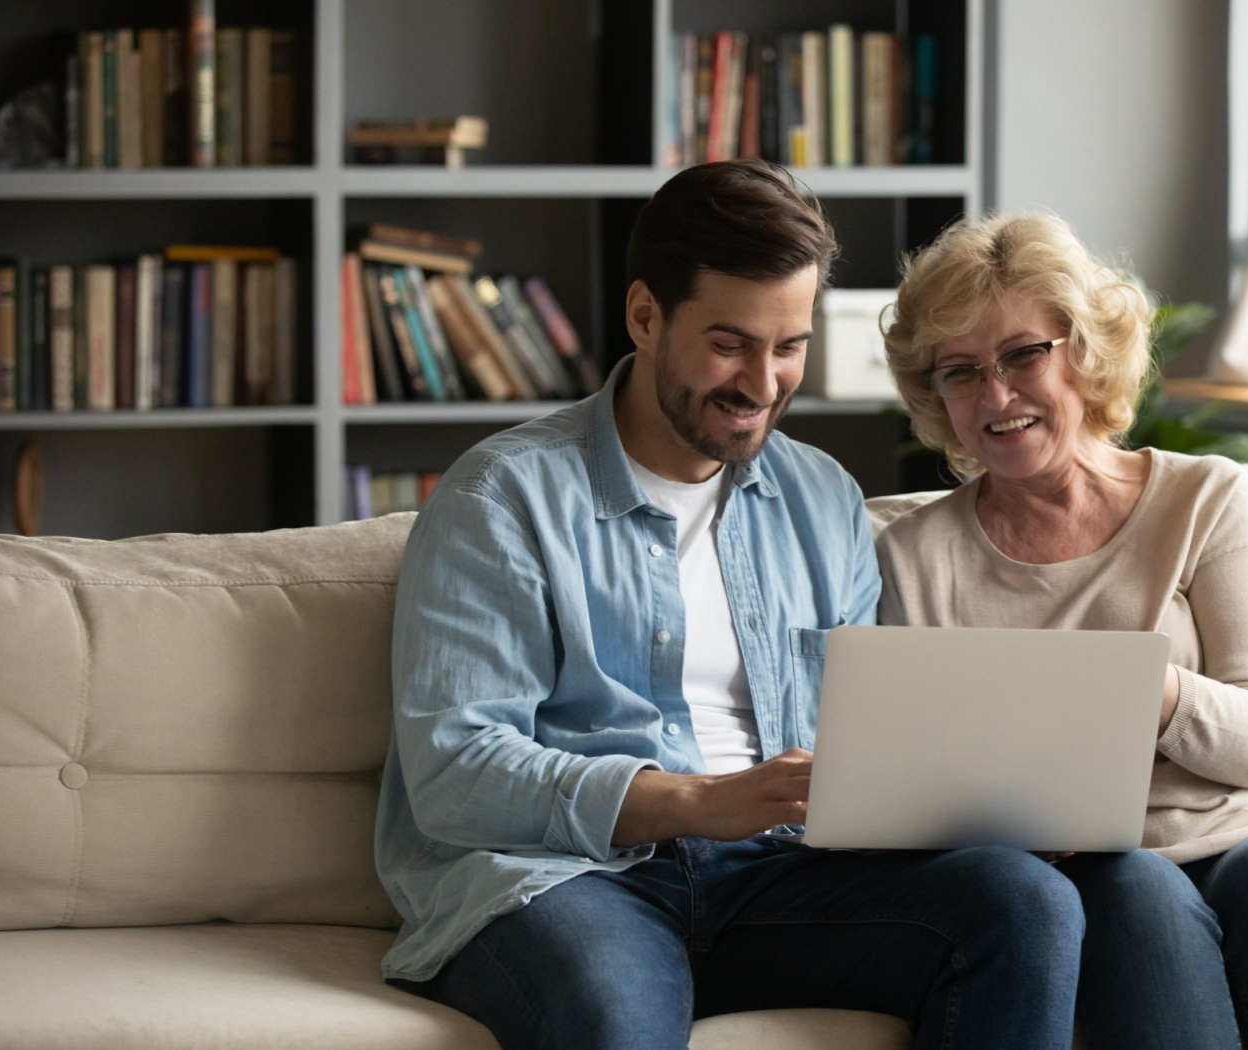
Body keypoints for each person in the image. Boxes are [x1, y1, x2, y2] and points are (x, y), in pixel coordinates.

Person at [374, 160, 1084, 1050]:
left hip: (775, 874)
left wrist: (971, 801)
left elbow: (860, 737)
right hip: (566, 881)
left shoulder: (821, 497)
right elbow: (454, 773)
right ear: (644, 315)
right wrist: (700, 801)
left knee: (1023, 905)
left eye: (789, 345)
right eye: (729, 342)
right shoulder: (501, 499)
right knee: (612, 1015)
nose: (763, 381)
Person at [876, 212, 1248, 1050]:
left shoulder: (1207, 500)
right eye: (961, 371)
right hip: (1096, 870)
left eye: (1022, 355)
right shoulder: (911, 558)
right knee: (1133, 887)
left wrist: (1136, 687)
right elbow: (915, 790)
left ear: (1081, 351)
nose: (997, 395)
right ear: (933, 394)